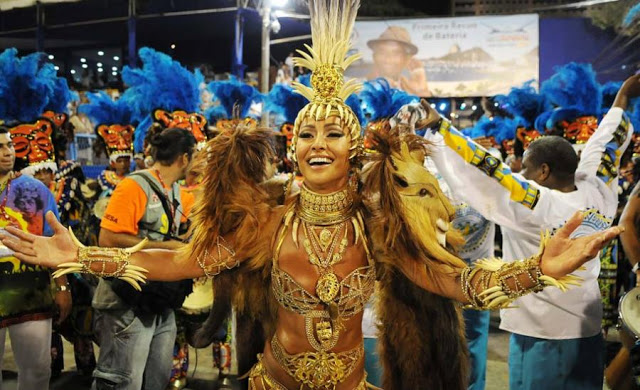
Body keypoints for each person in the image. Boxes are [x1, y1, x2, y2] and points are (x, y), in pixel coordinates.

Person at [0, 2, 624, 390]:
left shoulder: (379, 224)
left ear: (354, 148)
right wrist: (82, 255)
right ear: (292, 148)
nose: (317, 141)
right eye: (306, 132)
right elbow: (186, 261)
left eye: (333, 131)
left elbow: (453, 281)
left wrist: (537, 270)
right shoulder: (268, 217)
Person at [419, 73, 640, 390]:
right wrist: (623, 97)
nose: (520, 174)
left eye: (526, 169)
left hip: (540, 338)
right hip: (588, 334)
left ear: (544, 171)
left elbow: (487, 173)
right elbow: (608, 144)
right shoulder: (599, 191)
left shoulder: (535, 206)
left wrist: (440, 127)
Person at [90, 128, 196, 390]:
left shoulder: (175, 191)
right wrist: (166, 245)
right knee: (123, 380)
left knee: (156, 379)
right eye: (194, 156)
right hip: (126, 301)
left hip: (159, 299)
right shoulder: (133, 186)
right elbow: (108, 238)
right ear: (184, 158)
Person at [0, 125, 65, 390]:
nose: (6, 153)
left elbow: (57, 242)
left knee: (37, 371)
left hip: (31, 294)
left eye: (9, 145)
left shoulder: (35, 191)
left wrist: (62, 286)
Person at [366, 26, 431, 97]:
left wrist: (422, 93)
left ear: (406, 59)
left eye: (396, 53)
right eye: (382, 52)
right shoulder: (358, 87)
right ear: (374, 56)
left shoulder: (410, 87)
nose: (388, 60)